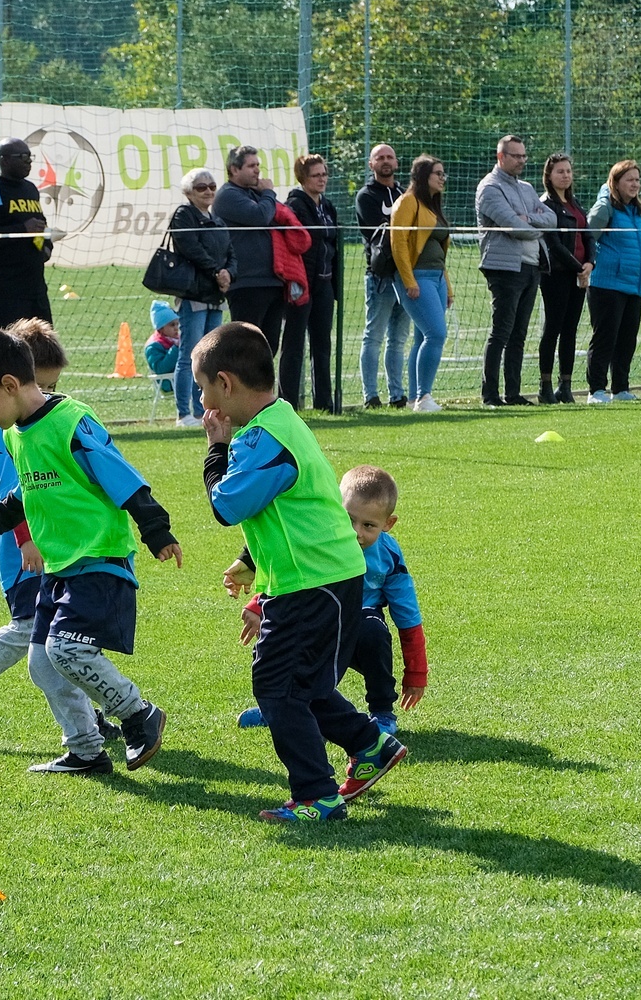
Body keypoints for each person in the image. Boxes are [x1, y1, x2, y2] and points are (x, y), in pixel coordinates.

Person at [195, 322, 408, 823]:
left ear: (225, 383)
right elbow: (283, 511)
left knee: (277, 688)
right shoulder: (279, 420)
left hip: (314, 583)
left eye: (204, 388)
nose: (203, 401)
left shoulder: (263, 437)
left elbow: (227, 504)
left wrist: (216, 449)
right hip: (318, 577)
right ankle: (369, 744)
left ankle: (317, 795)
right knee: (303, 686)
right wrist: (251, 563)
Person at [0, 325, 177, 772]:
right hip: (59, 567)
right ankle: (86, 751)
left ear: (9, 385)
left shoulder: (72, 422)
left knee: (67, 651)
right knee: (42, 663)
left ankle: (137, 714)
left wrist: (156, 529)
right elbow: (26, 493)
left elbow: (120, 474)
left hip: (98, 558)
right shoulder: (14, 435)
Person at [0, 319, 120, 774]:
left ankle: (86, 724)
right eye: (46, 386)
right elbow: (24, 489)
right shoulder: (15, 426)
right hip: (29, 546)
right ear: (14, 382)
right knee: (38, 631)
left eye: (52, 387)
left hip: (23, 542)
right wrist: (26, 537)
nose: (49, 396)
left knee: (60, 634)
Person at [236, 464, 429, 738]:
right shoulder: (320, 537)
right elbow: (288, 571)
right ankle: (276, 707)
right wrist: (259, 604)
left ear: (388, 524)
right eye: (349, 519)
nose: (356, 532)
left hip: (359, 626)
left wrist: (416, 673)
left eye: (368, 525)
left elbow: (408, 617)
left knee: (373, 631)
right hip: (317, 615)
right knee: (277, 632)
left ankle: (382, 712)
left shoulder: (389, 556)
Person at [475, 135, 557, 406]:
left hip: (532, 266)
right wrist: (534, 227)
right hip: (504, 268)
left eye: (524, 156)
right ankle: (490, 395)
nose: (522, 160)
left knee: (519, 335)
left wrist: (530, 218)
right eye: (516, 156)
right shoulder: (489, 188)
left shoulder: (527, 188)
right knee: (502, 331)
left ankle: (513, 393)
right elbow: (515, 227)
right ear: (501, 157)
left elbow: (552, 219)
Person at [165, 169, 234, 426]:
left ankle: (204, 409)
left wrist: (229, 273)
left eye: (212, 186)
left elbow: (230, 252)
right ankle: (184, 413)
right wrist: (216, 271)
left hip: (215, 296)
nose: (208, 191)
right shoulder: (183, 215)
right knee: (190, 354)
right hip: (194, 295)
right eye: (201, 187)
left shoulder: (217, 219)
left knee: (210, 357)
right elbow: (191, 249)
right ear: (189, 192)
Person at [387, 155, 452, 413]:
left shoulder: (432, 206)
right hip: (418, 278)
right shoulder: (407, 202)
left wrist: (448, 287)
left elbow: (440, 252)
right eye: (438, 173)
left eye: (443, 173)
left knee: (423, 337)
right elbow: (399, 243)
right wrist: (408, 280)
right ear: (424, 176)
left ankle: (416, 398)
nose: (442, 178)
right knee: (436, 334)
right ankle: (424, 396)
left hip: (437, 279)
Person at [583, 160, 641, 404]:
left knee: (627, 340)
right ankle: (596, 390)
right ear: (616, 182)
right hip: (607, 284)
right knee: (605, 338)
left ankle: (620, 388)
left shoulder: (635, 211)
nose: (635, 184)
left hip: (634, 285)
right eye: (629, 179)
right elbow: (588, 238)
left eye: (637, 179)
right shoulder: (605, 208)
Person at [0, 138, 54, 328]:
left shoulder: (30, 189)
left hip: (34, 288)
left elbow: (40, 225)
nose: (29, 161)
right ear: (4, 160)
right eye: (23, 157)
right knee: (0, 345)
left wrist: (46, 246)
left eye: (30, 156)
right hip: (2, 291)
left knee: (42, 344)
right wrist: (22, 229)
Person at [281, 153, 342, 411]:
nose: (322, 179)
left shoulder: (327, 206)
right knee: (294, 344)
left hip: (325, 284)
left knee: (322, 343)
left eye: (324, 174)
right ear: (303, 178)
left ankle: (324, 402)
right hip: (302, 284)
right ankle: (288, 403)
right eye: (316, 175)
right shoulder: (295, 205)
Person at [356, 144, 411, 408]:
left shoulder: (405, 194)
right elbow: (376, 233)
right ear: (371, 164)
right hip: (380, 277)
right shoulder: (366, 196)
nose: (385, 161)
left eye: (390, 157)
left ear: (397, 162)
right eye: (380, 157)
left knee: (398, 340)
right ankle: (370, 396)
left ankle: (397, 395)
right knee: (374, 336)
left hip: (407, 276)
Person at [214, 146, 283, 354]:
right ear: (234, 169)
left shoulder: (256, 193)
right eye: (251, 165)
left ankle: (263, 379)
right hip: (246, 283)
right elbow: (260, 216)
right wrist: (269, 192)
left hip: (272, 281)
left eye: (258, 165)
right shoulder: (228, 195)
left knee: (269, 348)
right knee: (246, 348)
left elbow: (278, 215)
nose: (257, 170)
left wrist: (265, 195)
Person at [538, 153, 594, 404]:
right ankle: (545, 386)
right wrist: (578, 268)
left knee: (570, 330)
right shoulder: (545, 205)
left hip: (579, 275)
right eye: (560, 171)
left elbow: (588, 235)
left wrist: (590, 264)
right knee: (553, 328)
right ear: (549, 176)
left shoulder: (575, 203)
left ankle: (566, 385)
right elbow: (554, 244)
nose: (565, 175)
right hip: (557, 275)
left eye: (568, 171)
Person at [144, 300, 180, 395]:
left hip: (179, 376)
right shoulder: (153, 346)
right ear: (161, 328)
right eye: (172, 325)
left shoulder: (176, 340)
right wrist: (176, 349)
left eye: (177, 324)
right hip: (168, 382)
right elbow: (161, 368)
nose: (176, 328)